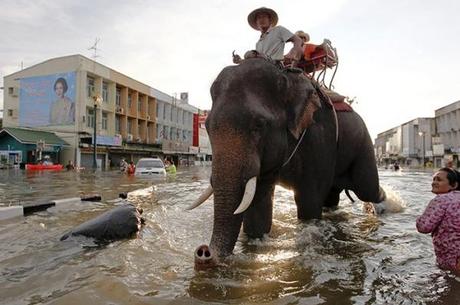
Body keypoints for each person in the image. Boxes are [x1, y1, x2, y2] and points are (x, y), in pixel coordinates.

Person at [416, 167, 460, 272]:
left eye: (439, 180)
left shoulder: (441, 199)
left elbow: (424, 227)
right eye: (434, 179)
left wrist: (418, 218)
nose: (434, 182)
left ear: (454, 185)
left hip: (453, 259)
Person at [233, 7, 303, 66]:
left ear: (270, 20)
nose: (261, 19)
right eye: (259, 18)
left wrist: (293, 52)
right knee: (249, 55)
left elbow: (298, 40)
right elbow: (256, 60)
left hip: (275, 66)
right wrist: (240, 61)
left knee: (250, 55)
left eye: (264, 17)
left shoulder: (278, 29)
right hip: (261, 66)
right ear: (256, 23)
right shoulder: (258, 43)